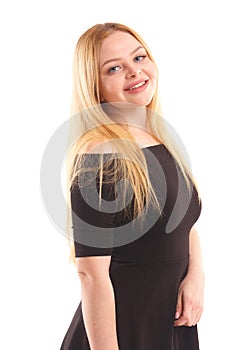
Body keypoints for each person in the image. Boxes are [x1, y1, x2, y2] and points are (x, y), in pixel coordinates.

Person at [60, 23, 205, 350]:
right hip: (122, 334)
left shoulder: (157, 138)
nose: (134, 71)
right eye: (114, 67)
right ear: (94, 85)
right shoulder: (98, 158)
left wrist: (196, 278)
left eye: (139, 57)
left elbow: (185, 225)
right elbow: (91, 275)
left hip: (170, 324)